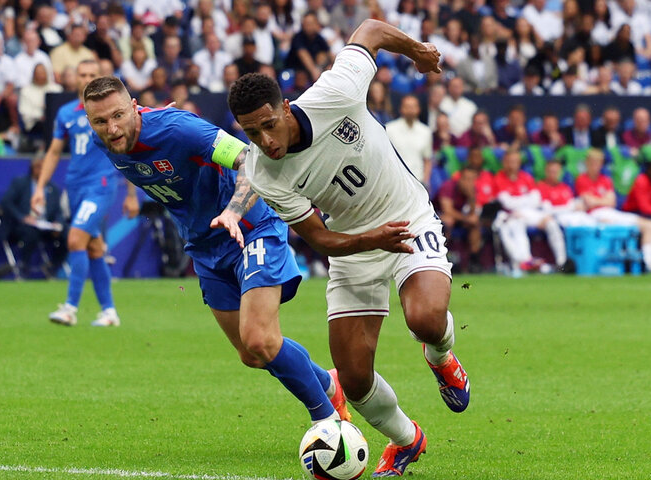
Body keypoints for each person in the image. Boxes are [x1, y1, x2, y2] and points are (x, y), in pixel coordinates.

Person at [228, 19, 470, 476]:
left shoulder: (335, 92)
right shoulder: (264, 172)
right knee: (355, 379)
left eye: (268, 125)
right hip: (352, 244)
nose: (264, 141)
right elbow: (319, 238)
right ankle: (406, 440)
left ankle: (440, 355)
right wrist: (367, 241)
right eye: (251, 133)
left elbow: (371, 30)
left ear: (283, 106)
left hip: (407, 214)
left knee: (424, 319)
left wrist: (417, 52)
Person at [81, 76, 351, 441]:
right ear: (89, 121)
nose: (112, 128)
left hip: (251, 228)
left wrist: (234, 211)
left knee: (259, 338)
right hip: (204, 247)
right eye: (100, 121)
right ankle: (328, 382)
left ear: (133, 107)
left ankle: (329, 424)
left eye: (118, 115)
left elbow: (248, 161)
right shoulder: (105, 142)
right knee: (252, 354)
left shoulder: (179, 130)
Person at [31, 60, 127, 327]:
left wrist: (131, 193)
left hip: (101, 186)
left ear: (100, 79)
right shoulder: (66, 114)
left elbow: (128, 148)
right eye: (82, 74)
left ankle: (70, 308)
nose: (86, 79)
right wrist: (39, 187)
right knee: (94, 249)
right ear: (73, 78)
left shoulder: (110, 113)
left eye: (91, 74)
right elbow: (53, 151)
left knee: (75, 240)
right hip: (75, 186)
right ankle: (109, 312)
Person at [575, 149, 651, 273]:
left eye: (598, 162)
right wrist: (603, 200)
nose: (595, 166)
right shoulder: (581, 179)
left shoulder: (605, 180)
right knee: (608, 222)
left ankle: (648, 264)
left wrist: (598, 200)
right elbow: (587, 202)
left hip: (611, 212)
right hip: (594, 215)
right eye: (592, 162)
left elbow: (612, 202)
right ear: (586, 163)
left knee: (649, 225)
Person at [493, 149, 568, 272]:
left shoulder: (526, 177)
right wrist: (525, 199)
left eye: (516, 161)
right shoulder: (499, 178)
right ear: (504, 163)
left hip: (529, 212)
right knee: (518, 223)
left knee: (551, 223)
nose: (513, 164)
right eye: (510, 161)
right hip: (510, 215)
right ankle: (526, 261)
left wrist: (518, 201)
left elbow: (536, 199)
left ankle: (561, 262)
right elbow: (506, 203)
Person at [0, 157, 67, 277]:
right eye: (38, 167)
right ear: (31, 168)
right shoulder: (20, 183)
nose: (40, 170)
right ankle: (25, 267)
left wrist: (57, 224)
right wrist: (23, 217)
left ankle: (52, 267)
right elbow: (6, 202)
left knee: (67, 232)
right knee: (31, 231)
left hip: (46, 226)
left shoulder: (53, 188)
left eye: (43, 168)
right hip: (21, 226)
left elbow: (58, 212)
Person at [385, 94, 433, 186]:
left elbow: (427, 159)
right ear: (401, 109)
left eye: (413, 107)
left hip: (418, 181)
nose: (410, 110)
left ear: (418, 109)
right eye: (407, 107)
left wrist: (426, 181)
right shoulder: (389, 129)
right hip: (396, 181)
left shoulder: (426, 132)